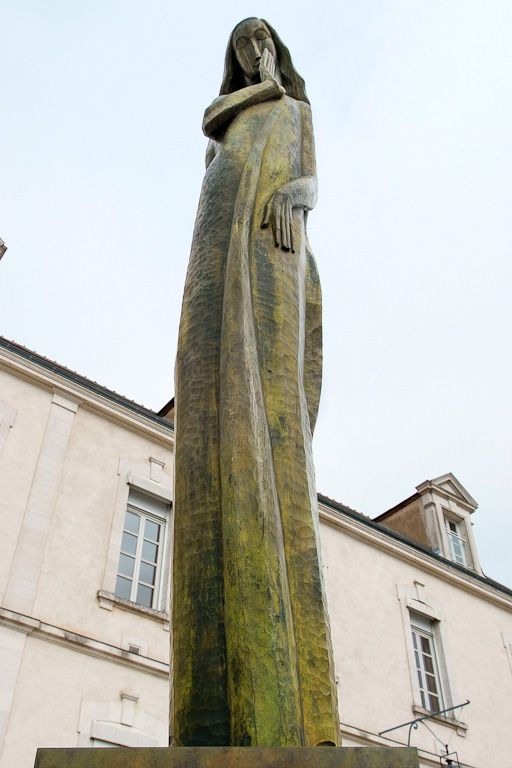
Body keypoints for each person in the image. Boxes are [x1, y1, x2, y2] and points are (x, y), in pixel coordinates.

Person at [172, 18, 339, 748]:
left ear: (277, 49)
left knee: (266, 409)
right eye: (241, 50)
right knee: (208, 385)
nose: (252, 55)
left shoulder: (292, 111)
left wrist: (293, 196)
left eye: (260, 44)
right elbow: (210, 119)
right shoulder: (229, 120)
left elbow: (310, 180)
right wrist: (255, 81)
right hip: (217, 239)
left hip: (273, 244)